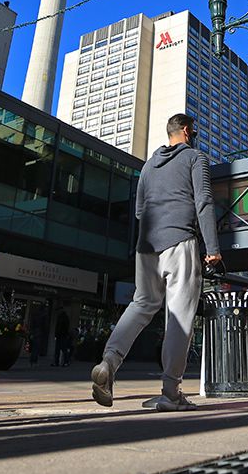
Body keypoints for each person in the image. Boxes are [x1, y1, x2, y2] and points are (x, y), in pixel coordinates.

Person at [90, 113, 221, 411]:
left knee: (141, 304)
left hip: (146, 247)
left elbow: (139, 211)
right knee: (179, 314)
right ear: (186, 131)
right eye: (194, 131)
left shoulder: (148, 166)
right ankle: (171, 391)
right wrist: (212, 247)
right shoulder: (195, 158)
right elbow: (203, 201)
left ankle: (109, 362)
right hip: (179, 240)